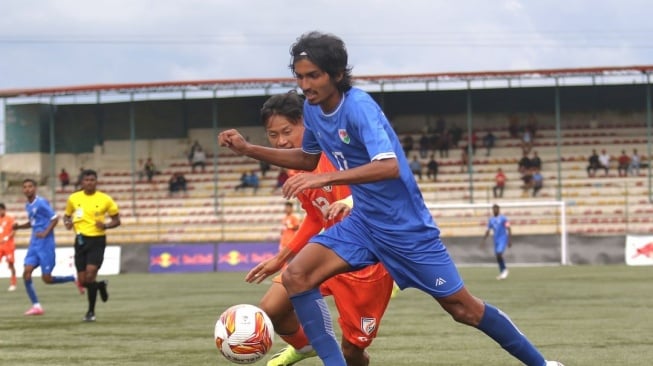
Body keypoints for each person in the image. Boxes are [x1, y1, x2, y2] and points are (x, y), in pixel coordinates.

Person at [218, 31, 562, 366]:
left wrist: (325, 177)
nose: (306, 85)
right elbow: (308, 159)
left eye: (314, 76)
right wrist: (248, 150)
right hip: (363, 223)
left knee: (464, 310)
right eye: (300, 77)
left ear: (337, 74)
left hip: (405, 229)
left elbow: (389, 167)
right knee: (296, 277)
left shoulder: (359, 107)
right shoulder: (311, 111)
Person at [247, 91, 393, 366]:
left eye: (287, 131)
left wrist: (350, 202)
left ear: (307, 122)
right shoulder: (295, 168)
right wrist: (280, 259)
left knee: (352, 351)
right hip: (324, 251)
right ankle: (305, 347)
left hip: (364, 262)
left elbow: (383, 187)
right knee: (271, 309)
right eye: (273, 135)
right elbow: (315, 218)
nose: (281, 141)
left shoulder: (340, 151)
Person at [13, 179, 82, 316]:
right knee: (26, 273)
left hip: (46, 245)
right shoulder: (28, 205)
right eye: (25, 187)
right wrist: (19, 227)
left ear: (35, 188)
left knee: (47, 279)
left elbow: (55, 218)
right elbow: (33, 222)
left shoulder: (41, 203)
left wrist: (45, 232)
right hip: (34, 244)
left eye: (30, 186)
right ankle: (36, 306)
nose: (27, 189)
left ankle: (72, 278)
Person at [63, 169, 121, 322]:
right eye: (86, 180)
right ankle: (100, 286)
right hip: (81, 241)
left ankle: (90, 312)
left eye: (92, 180)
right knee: (83, 281)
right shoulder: (73, 198)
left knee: (90, 273)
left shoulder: (105, 199)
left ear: (96, 182)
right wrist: (67, 222)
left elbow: (117, 220)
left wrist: (106, 226)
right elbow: (66, 216)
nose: (89, 183)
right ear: (82, 182)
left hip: (97, 240)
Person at [481, 204, 512, 280]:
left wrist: (509, 239)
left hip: (503, 238)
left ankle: (505, 270)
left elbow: (508, 228)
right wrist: (484, 240)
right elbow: (488, 230)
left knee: (499, 254)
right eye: (493, 209)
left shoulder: (503, 218)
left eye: (496, 209)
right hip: (496, 239)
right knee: (498, 257)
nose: (495, 210)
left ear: (499, 210)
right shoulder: (491, 220)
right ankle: (503, 272)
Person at [0, 203, 17, 291]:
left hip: (8, 246)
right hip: (0, 246)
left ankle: (13, 283)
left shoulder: (10, 219)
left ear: (4, 210)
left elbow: (14, 231)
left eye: (1, 210)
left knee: (11, 264)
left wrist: (7, 237)